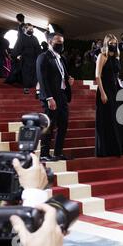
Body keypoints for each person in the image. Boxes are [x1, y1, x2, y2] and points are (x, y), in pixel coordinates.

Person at [95, 34, 123, 157]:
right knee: (111, 120)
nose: (113, 45)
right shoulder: (102, 56)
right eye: (111, 43)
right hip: (106, 90)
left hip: (117, 90)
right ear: (106, 44)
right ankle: (114, 148)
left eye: (115, 43)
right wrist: (103, 93)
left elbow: (118, 77)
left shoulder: (117, 57)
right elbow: (97, 76)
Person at [36, 33, 74, 162]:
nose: (61, 45)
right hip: (51, 96)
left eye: (62, 42)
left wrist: (68, 80)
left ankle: (58, 152)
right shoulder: (43, 57)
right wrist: (49, 98)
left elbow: (62, 75)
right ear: (50, 42)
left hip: (62, 95)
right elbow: (43, 79)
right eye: (58, 42)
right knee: (49, 125)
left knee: (63, 124)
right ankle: (44, 154)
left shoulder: (61, 58)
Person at [13, 24, 42, 94]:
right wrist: (17, 55)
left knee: (33, 72)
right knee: (25, 72)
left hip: (34, 58)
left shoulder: (35, 38)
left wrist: (39, 57)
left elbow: (38, 48)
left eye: (32, 29)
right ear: (25, 29)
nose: (31, 30)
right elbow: (17, 47)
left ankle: (32, 85)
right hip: (25, 58)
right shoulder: (21, 37)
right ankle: (26, 87)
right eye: (30, 29)